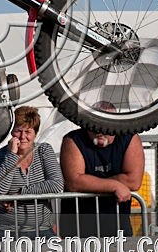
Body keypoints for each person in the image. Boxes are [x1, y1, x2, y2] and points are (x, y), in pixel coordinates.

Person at [59, 102, 145, 238]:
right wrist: (115, 185)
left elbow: (133, 181)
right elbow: (74, 182)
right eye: (95, 123)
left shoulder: (129, 137)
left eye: (105, 124)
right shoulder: (73, 140)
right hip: (79, 224)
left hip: (117, 222)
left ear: (115, 123)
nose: (99, 130)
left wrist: (90, 181)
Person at [0, 106, 64, 238]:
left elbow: (57, 185)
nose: (23, 137)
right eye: (18, 131)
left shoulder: (43, 151)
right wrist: (12, 156)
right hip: (6, 231)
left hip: (42, 229)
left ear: (35, 133)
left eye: (28, 132)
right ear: (11, 132)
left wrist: (20, 194)